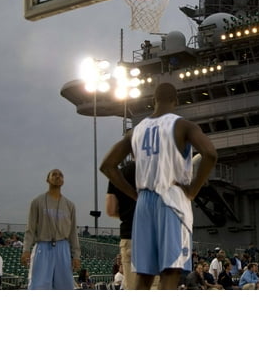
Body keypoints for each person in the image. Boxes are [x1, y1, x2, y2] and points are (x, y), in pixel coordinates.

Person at [100, 82, 217, 290]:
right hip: (171, 199)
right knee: (170, 271)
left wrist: (134, 194)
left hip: (144, 203)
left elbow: (107, 165)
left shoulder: (136, 130)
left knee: (144, 274)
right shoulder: (183, 125)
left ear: (153, 100)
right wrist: (192, 190)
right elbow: (210, 154)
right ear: (176, 101)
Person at [21, 169, 81, 290]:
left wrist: (76, 256)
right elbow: (30, 228)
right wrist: (26, 249)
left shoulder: (70, 205)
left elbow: (73, 233)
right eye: (54, 174)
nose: (58, 177)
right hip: (42, 246)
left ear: (63, 181)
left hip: (63, 247)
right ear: (47, 179)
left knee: (65, 286)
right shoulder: (37, 202)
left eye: (61, 175)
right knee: (38, 285)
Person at [105, 160, 137, 290]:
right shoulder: (160, 169)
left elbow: (110, 210)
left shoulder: (118, 174)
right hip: (156, 236)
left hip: (130, 234)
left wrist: (125, 213)